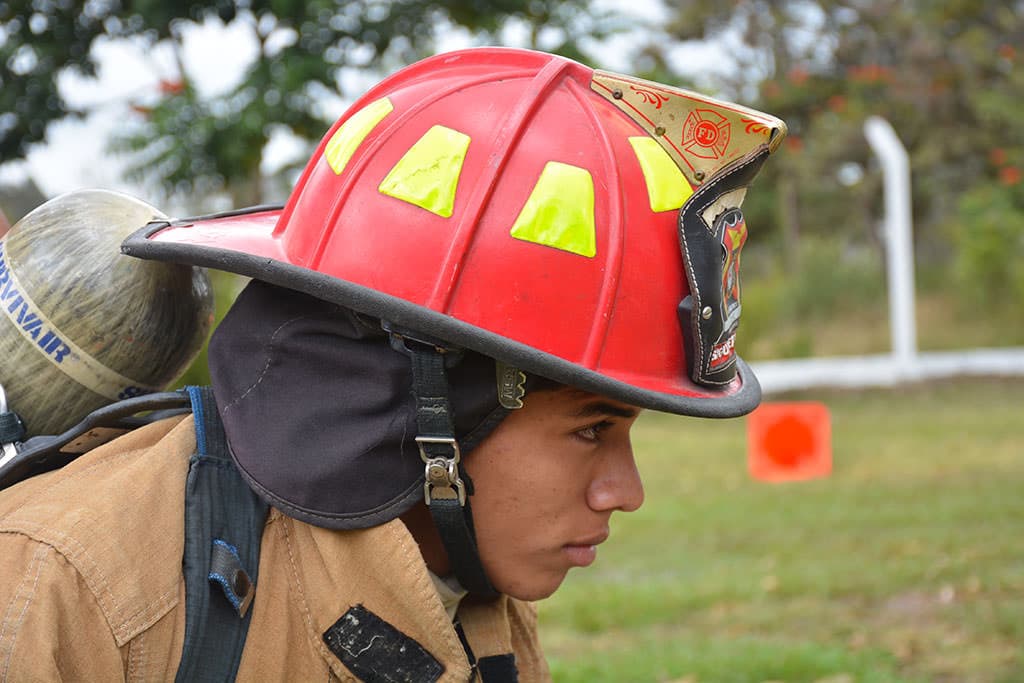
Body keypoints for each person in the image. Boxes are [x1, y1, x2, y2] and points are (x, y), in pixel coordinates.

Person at [0, 47, 785, 680]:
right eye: (591, 429)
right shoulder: (65, 589)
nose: (626, 491)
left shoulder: (469, 583)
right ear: (430, 403)